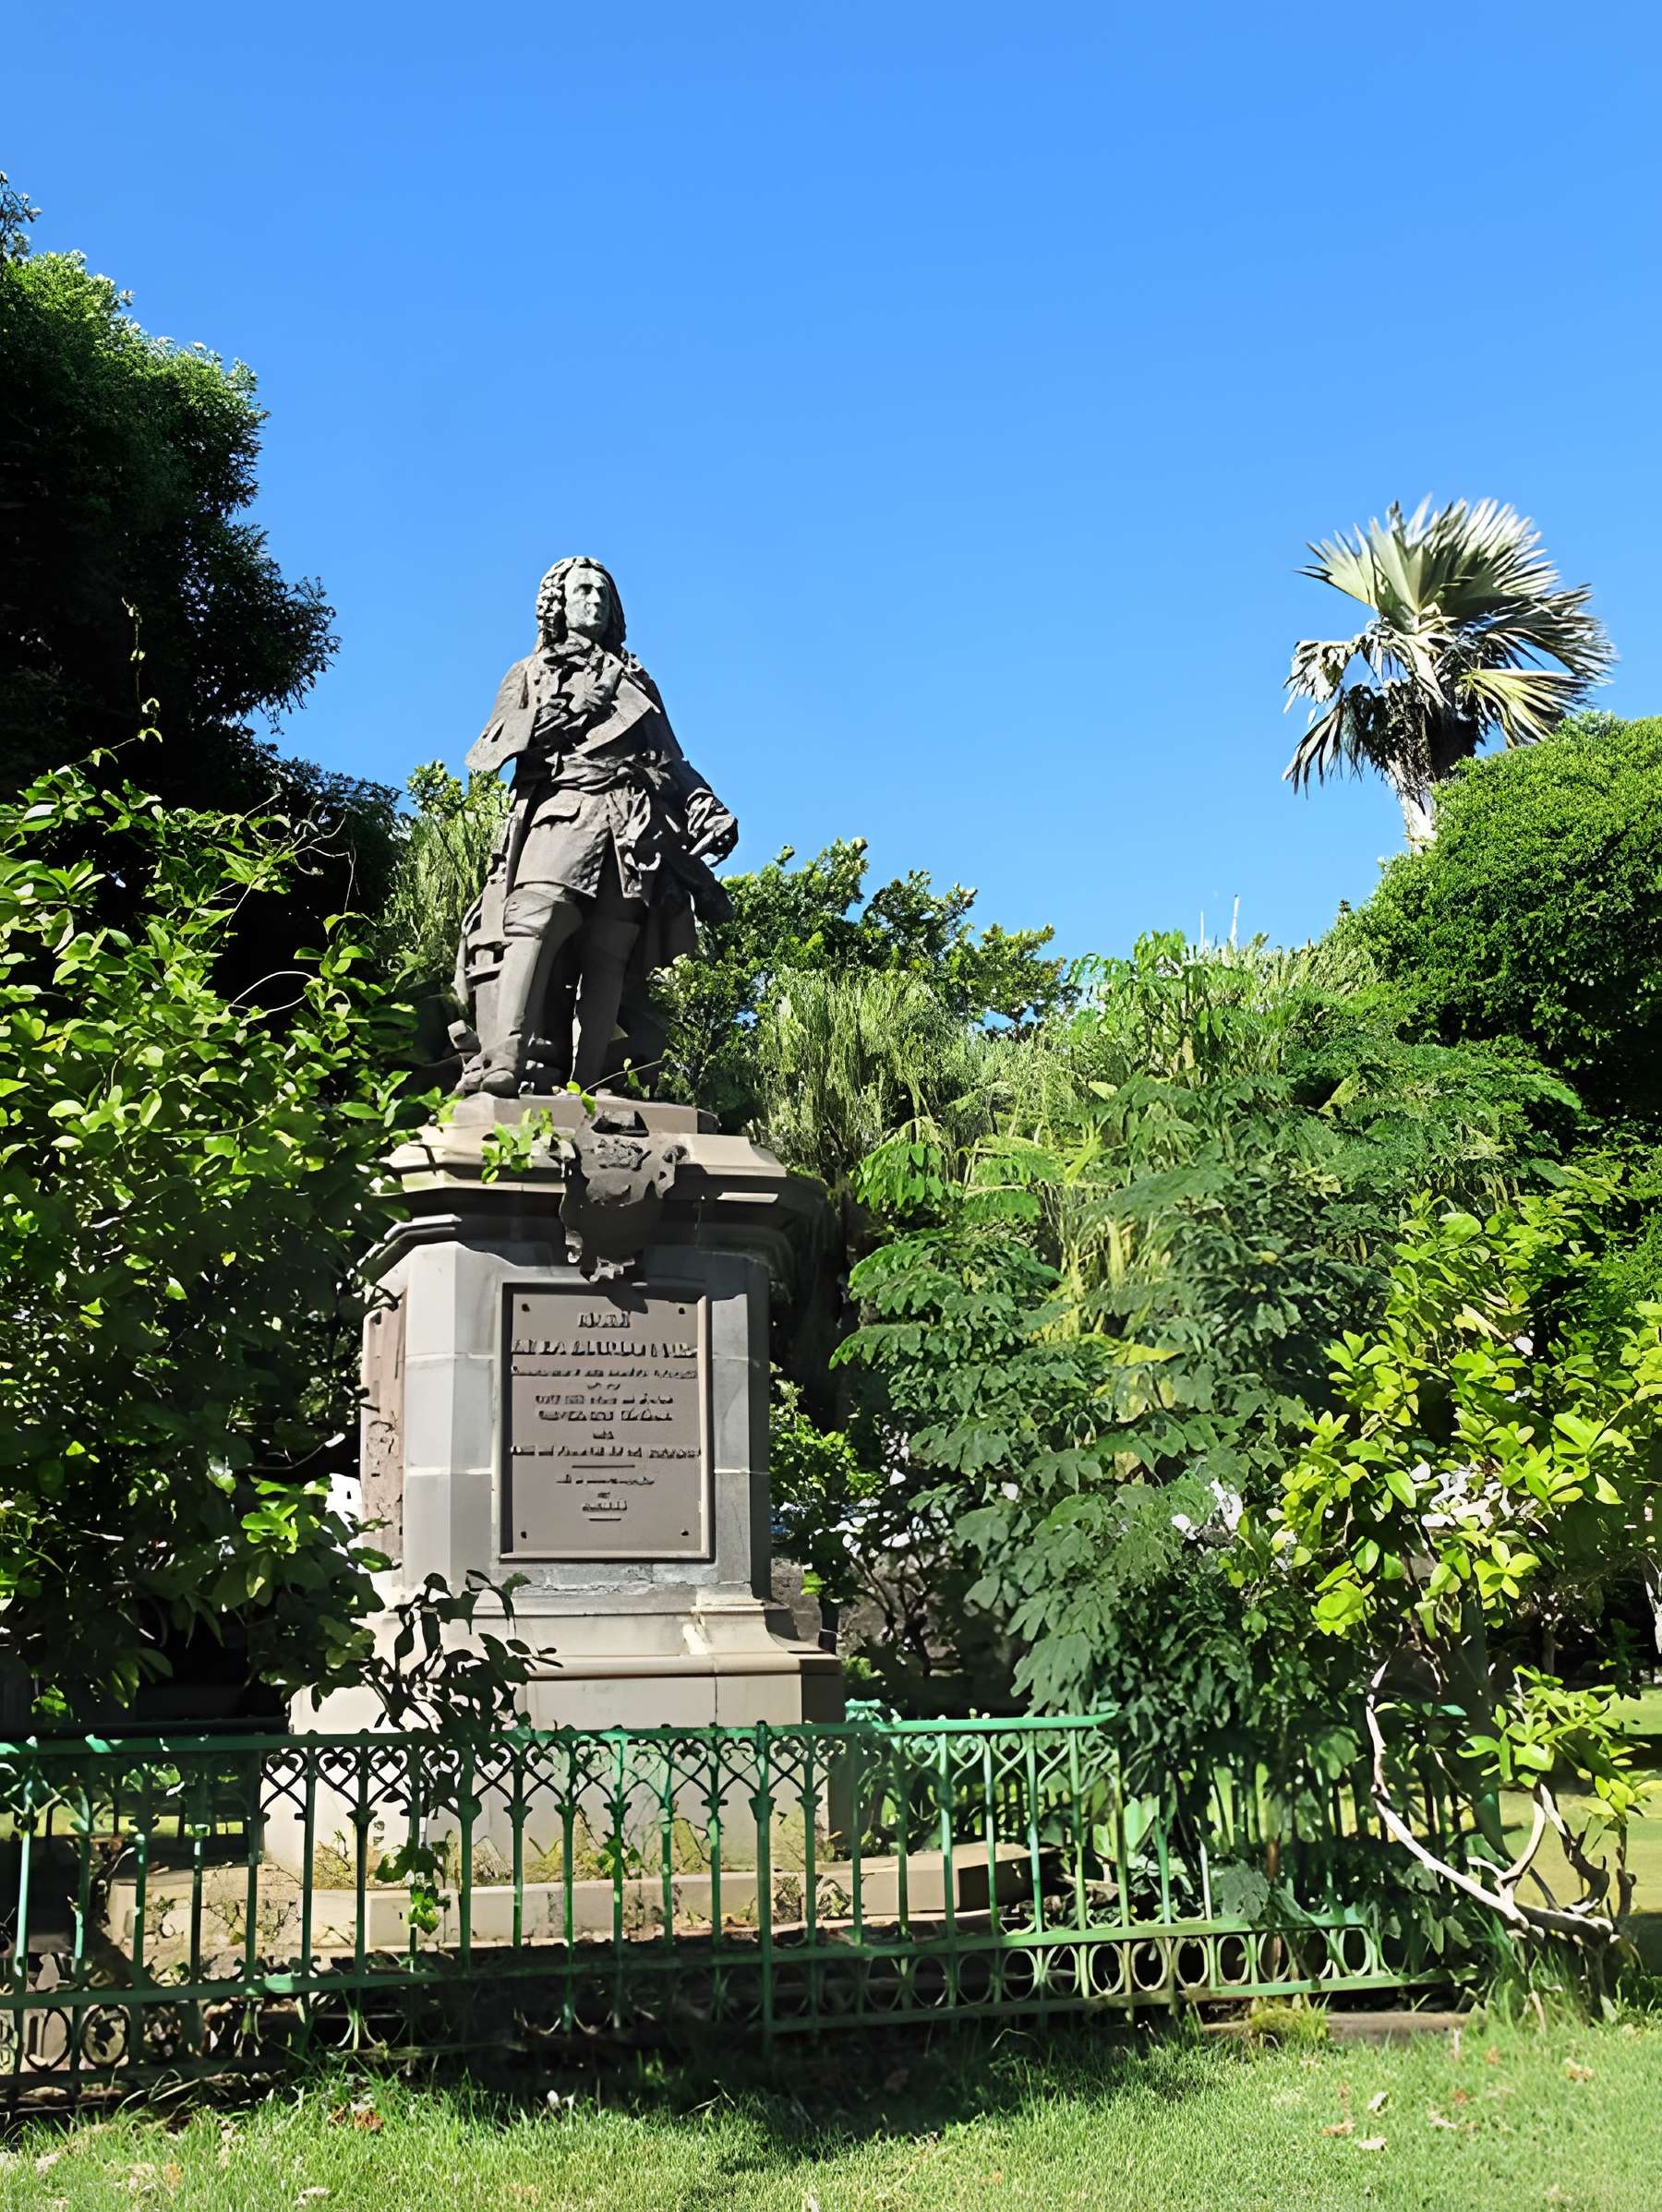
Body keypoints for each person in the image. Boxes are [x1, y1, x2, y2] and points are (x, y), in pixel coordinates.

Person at [452, 558, 737, 1097]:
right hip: (563, 809)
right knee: (533, 923)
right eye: (583, 590)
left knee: (610, 952)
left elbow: (670, 758)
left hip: (628, 828)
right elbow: (490, 748)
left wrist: (706, 802)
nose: (595, 600)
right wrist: (565, 712)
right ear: (557, 603)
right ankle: (504, 1061)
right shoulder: (531, 671)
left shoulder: (636, 678)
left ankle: (588, 1082)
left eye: (604, 592)